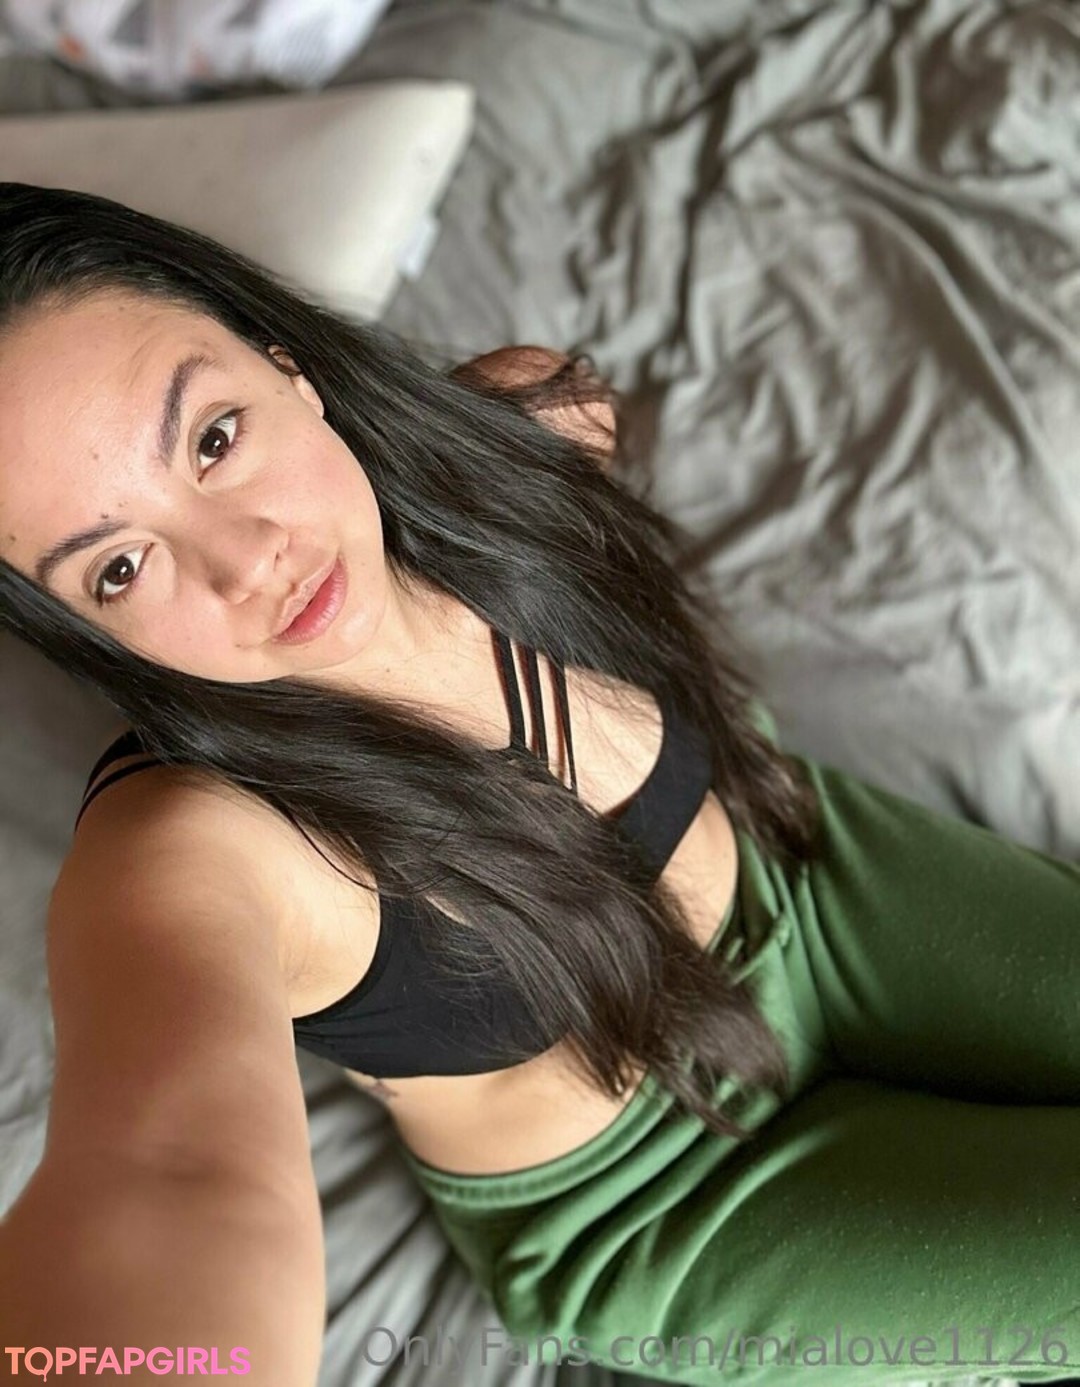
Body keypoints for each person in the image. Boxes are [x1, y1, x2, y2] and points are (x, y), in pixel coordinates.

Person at [0, 180, 1076, 1387]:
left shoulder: (516, 440)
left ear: (285, 366)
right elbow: (167, 1175)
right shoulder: (189, 845)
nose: (248, 559)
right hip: (663, 1198)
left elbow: (571, 418)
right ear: (79, 626)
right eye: (119, 567)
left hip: (819, 880)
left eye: (213, 438)